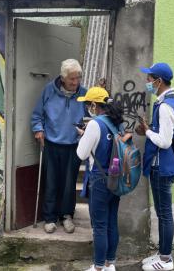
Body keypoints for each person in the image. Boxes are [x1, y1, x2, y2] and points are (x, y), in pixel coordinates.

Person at [31, 59, 87, 234]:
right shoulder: (49, 90)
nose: (75, 82)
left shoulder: (84, 94)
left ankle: (67, 215)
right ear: (63, 78)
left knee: (69, 182)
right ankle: (49, 217)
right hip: (52, 143)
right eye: (72, 79)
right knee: (51, 181)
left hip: (73, 145)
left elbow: (91, 117)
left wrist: (86, 130)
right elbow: (37, 115)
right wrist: (38, 129)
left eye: (77, 78)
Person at [136, 63, 174, 271]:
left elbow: (164, 141)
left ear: (159, 81)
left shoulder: (165, 107)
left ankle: (165, 259)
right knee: (163, 213)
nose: (147, 82)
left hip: (162, 168)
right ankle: (162, 253)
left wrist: (147, 131)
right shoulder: (172, 101)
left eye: (149, 78)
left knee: (164, 213)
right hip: (164, 166)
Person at [76, 87, 124, 271]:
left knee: (99, 226)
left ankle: (98, 267)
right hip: (116, 178)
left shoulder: (95, 124)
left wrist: (84, 136)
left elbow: (81, 153)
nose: (88, 107)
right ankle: (110, 263)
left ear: (95, 105)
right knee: (112, 221)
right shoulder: (118, 122)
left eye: (88, 104)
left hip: (100, 179)